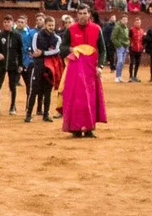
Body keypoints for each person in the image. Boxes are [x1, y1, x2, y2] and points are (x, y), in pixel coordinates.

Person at [59, 7, 107, 138]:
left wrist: (100, 67)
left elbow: (103, 50)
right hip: (74, 69)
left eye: (85, 13)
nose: (82, 16)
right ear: (77, 15)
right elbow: (62, 48)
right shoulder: (70, 29)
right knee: (76, 99)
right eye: (80, 13)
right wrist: (71, 48)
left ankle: (90, 127)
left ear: (89, 14)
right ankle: (75, 128)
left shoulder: (97, 29)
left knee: (90, 99)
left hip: (91, 70)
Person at [26, 17, 63, 124]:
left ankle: (46, 114)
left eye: (53, 25)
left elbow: (56, 51)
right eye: (49, 25)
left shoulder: (57, 38)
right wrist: (42, 53)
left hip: (50, 67)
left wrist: (42, 53)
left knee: (47, 91)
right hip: (38, 65)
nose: (51, 27)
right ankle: (29, 114)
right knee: (34, 90)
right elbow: (34, 49)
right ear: (45, 25)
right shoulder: (37, 35)